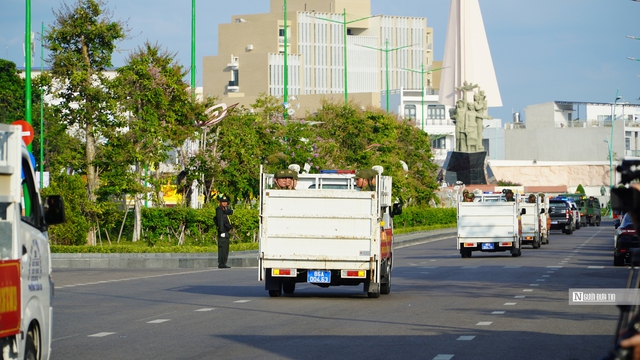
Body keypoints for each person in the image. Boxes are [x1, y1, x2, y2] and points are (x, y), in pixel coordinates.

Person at [215, 194, 233, 269]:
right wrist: (221, 231)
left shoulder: (224, 210)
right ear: (220, 202)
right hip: (222, 231)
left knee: (226, 248)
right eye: (223, 202)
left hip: (226, 231)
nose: (225, 203)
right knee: (222, 248)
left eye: (226, 202)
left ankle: (223, 262)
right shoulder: (219, 210)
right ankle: (221, 263)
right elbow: (220, 221)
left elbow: (230, 212)